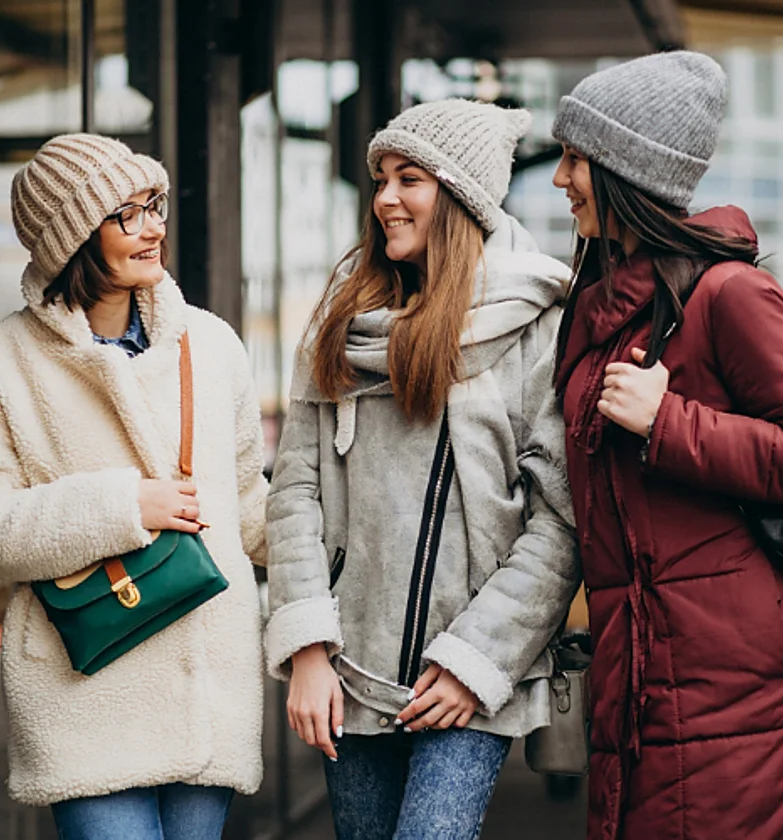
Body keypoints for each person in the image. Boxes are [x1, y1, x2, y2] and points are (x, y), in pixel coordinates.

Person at [549, 52, 783, 839]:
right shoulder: (599, 306)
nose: (559, 180)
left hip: (734, 682)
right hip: (637, 669)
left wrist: (669, 423)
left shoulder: (730, 294)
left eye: (574, 158)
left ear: (624, 168)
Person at [0, 134, 268, 840]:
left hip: (208, 684)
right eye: (126, 214)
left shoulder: (211, 347)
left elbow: (249, 504)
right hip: (83, 689)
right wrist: (121, 507)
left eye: (155, 205)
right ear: (75, 238)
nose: (153, 227)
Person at [265, 99, 581, 840]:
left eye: (409, 178)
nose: (384, 199)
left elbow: (559, 516)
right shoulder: (342, 323)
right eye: (380, 177)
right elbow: (296, 492)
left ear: (462, 195)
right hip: (352, 670)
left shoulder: (539, 321)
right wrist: (308, 646)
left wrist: (476, 659)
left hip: (472, 676)